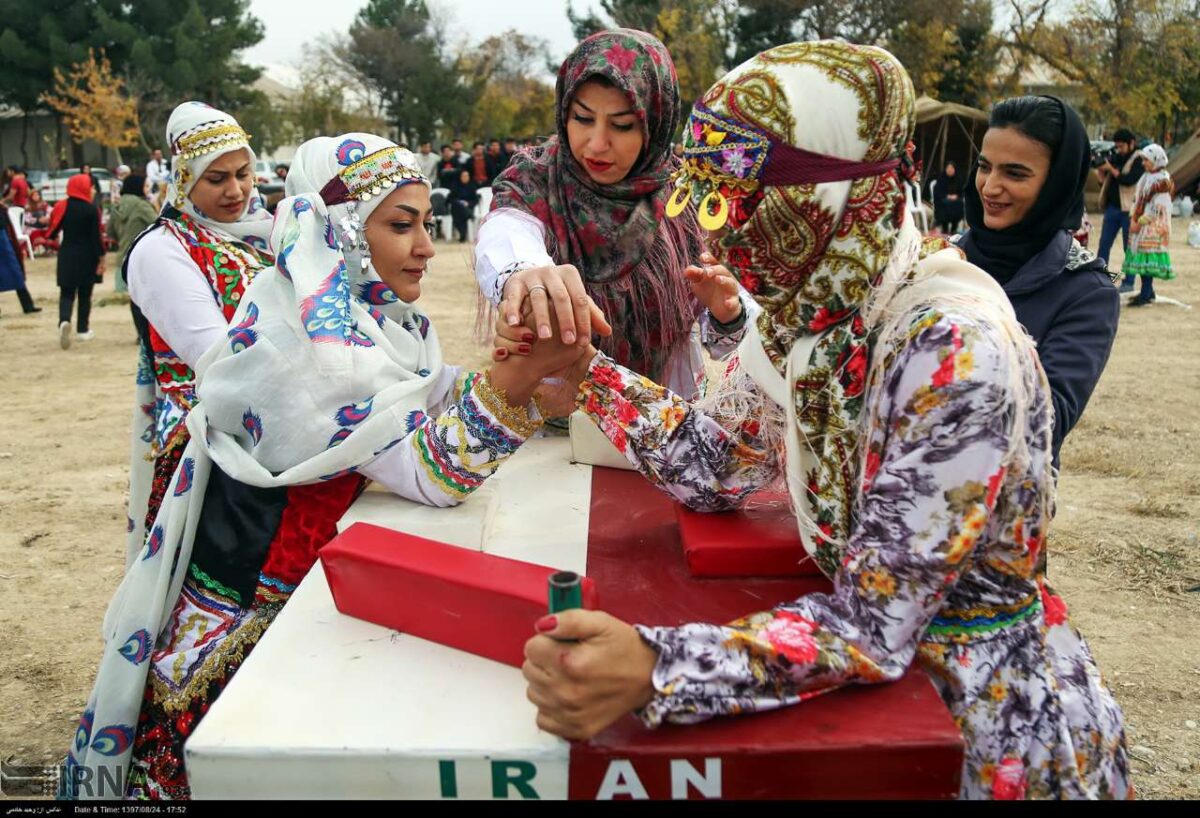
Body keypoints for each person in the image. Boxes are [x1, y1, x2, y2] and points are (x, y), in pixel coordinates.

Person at [509, 41, 1130, 801]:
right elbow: (725, 464)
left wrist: (657, 665)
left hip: (975, 726)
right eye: (706, 202)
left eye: (741, 201)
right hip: (867, 709)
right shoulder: (822, 317)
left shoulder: (953, 349)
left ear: (829, 197)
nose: (719, 235)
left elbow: (875, 622)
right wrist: (586, 374)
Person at [63, 133, 595, 801]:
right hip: (252, 618)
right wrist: (514, 385)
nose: (427, 246)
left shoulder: (370, 320)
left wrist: (530, 388)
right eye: (403, 225)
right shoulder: (302, 343)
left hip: (316, 593)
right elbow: (430, 473)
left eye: (426, 223)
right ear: (339, 230)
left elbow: (429, 391)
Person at [478, 28, 745, 400]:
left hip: (659, 419)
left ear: (656, 122)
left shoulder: (683, 197)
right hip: (554, 419)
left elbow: (726, 336)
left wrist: (727, 311)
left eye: (622, 125)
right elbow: (507, 233)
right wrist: (527, 275)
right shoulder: (537, 181)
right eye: (583, 119)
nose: (597, 143)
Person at [120, 102, 275, 572]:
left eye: (244, 173)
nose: (237, 190)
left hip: (274, 424)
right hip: (209, 443)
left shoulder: (263, 233)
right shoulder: (161, 249)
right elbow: (218, 355)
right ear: (184, 179)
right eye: (217, 179)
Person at [957, 95, 1119, 465]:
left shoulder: (1085, 291)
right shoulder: (942, 260)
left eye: (1015, 173)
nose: (990, 187)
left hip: (1004, 504)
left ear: (1056, 183)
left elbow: (1046, 423)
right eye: (985, 166)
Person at [46, 174, 104, 347]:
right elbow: (96, 238)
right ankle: (82, 329)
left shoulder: (61, 206)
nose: (93, 190)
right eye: (91, 186)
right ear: (84, 187)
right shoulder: (92, 209)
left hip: (67, 253)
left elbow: (52, 232)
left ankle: (64, 321)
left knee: (67, 292)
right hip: (88, 256)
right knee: (85, 294)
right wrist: (101, 257)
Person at [1123, 143, 1175, 306]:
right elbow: (1138, 199)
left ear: (1156, 160)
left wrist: (1140, 222)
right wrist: (1133, 217)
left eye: (1147, 160)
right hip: (1141, 222)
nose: (1143, 163)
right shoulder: (1147, 177)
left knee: (1146, 259)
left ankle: (1145, 294)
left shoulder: (1162, 181)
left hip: (1152, 226)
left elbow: (1158, 207)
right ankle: (1148, 291)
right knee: (1141, 258)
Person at [1095, 128, 1144, 290]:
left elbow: (1129, 180)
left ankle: (1129, 282)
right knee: (1104, 244)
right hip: (1112, 208)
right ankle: (1100, 279)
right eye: (1117, 146)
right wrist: (1102, 174)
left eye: (1122, 146)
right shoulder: (1116, 157)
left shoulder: (1139, 158)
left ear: (1131, 143)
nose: (1119, 149)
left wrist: (1111, 170)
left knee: (1128, 247)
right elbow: (1108, 182)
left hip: (1129, 210)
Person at [106, 174, 157, 294]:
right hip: (141, 258)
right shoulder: (142, 205)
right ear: (137, 187)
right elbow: (158, 225)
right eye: (145, 186)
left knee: (121, 293)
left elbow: (109, 231)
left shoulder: (116, 206)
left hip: (121, 259)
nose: (147, 189)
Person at [1, 203, 41, 317]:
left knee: (16, 272)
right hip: (3, 238)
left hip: (3, 238)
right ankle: (27, 305)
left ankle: (28, 305)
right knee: (15, 272)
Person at [932, 160, 964, 234]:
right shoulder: (941, 179)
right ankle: (945, 228)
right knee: (944, 204)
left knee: (958, 203)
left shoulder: (958, 179)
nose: (950, 170)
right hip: (943, 199)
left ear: (954, 170)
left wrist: (956, 196)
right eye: (948, 168)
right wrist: (947, 196)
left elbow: (962, 191)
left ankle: (954, 228)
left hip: (955, 199)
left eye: (951, 168)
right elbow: (937, 192)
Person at [448, 167, 478, 242]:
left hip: (467, 207)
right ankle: (469, 214)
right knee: (457, 205)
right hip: (457, 208)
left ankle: (462, 234)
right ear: (460, 177)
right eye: (463, 176)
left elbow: (475, 200)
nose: (465, 178)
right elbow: (450, 199)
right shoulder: (455, 186)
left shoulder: (472, 187)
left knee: (460, 213)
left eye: (467, 176)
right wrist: (460, 203)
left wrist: (468, 203)